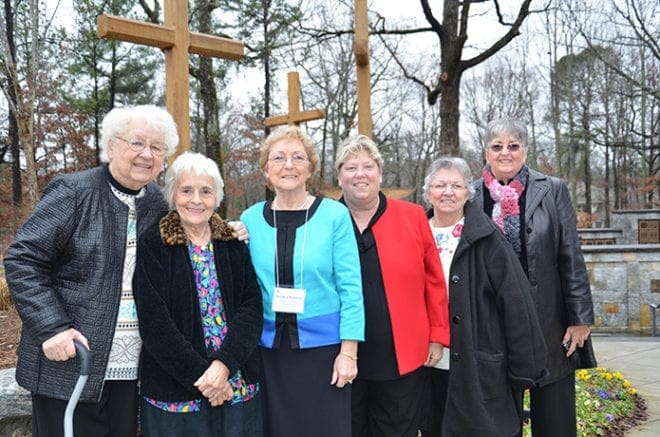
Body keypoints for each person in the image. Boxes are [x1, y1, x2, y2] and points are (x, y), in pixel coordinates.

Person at [5, 105, 178, 436]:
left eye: (157, 147)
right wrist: (51, 327)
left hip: (130, 368)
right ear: (111, 146)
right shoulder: (74, 192)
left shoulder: (159, 203)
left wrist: (229, 232)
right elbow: (23, 258)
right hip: (71, 361)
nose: (146, 154)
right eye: (137, 143)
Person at [240, 125, 364, 437]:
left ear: (310, 168)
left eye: (298, 157)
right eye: (278, 158)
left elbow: (351, 288)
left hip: (324, 353)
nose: (289, 165)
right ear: (266, 170)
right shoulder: (250, 219)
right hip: (268, 352)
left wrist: (349, 353)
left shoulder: (335, 215)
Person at [474, 118, 596, 436]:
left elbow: (570, 255)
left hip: (548, 322)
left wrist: (580, 318)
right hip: (491, 326)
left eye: (513, 146)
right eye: (497, 146)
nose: (505, 153)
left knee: (555, 419)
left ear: (525, 150)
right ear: (485, 152)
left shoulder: (551, 190)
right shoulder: (470, 196)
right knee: (496, 422)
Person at [133, 152, 263, 436]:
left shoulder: (232, 242)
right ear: (172, 195)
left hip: (235, 382)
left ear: (216, 197)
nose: (196, 200)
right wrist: (205, 378)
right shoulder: (154, 244)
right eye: (186, 190)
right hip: (177, 391)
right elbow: (155, 323)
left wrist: (224, 367)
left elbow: (251, 308)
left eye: (205, 191)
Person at [419, 156, 547, 436]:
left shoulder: (487, 239)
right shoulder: (415, 234)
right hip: (425, 364)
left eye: (456, 185)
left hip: (477, 364)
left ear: (468, 192)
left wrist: (525, 366)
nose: (448, 192)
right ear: (428, 192)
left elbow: (516, 303)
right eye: (440, 185)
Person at [334, 135, 450, 437]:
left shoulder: (411, 216)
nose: (360, 174)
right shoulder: (325, 219)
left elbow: (434, 280)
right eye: (351, 167)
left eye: (368, 166)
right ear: (339, 175)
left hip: (401, 354)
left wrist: (437, 335)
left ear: (380, 173)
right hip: (338, 354)